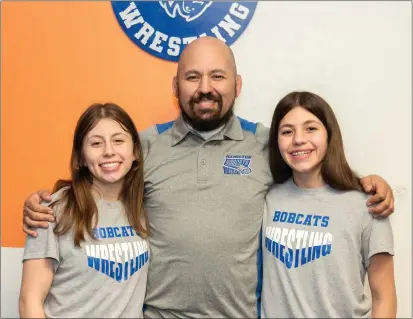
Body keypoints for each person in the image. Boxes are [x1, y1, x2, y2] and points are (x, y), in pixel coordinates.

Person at [21, 37, 395, 318]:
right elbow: (101, 179)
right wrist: (45, 201)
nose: (205, 88)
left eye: (218, 76)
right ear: (175, 87)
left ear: (238, 85)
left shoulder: (266, 143)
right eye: (192, 77)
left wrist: (368, 182)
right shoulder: (145, 146)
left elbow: (310, 165)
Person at [262, 91, 397, 318]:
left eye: (311, 128)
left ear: (329, 134)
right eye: (287, 132)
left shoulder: (368, 204)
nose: (298, 139)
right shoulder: (266, 198)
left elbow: (384, 297)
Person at [19, 103, 150, 318]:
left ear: (135, 151)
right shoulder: (52, 211)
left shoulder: (144, 208)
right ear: (80, 157)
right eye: (96, 143)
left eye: (118, 140)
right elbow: (29, 301)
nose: (109, 151)